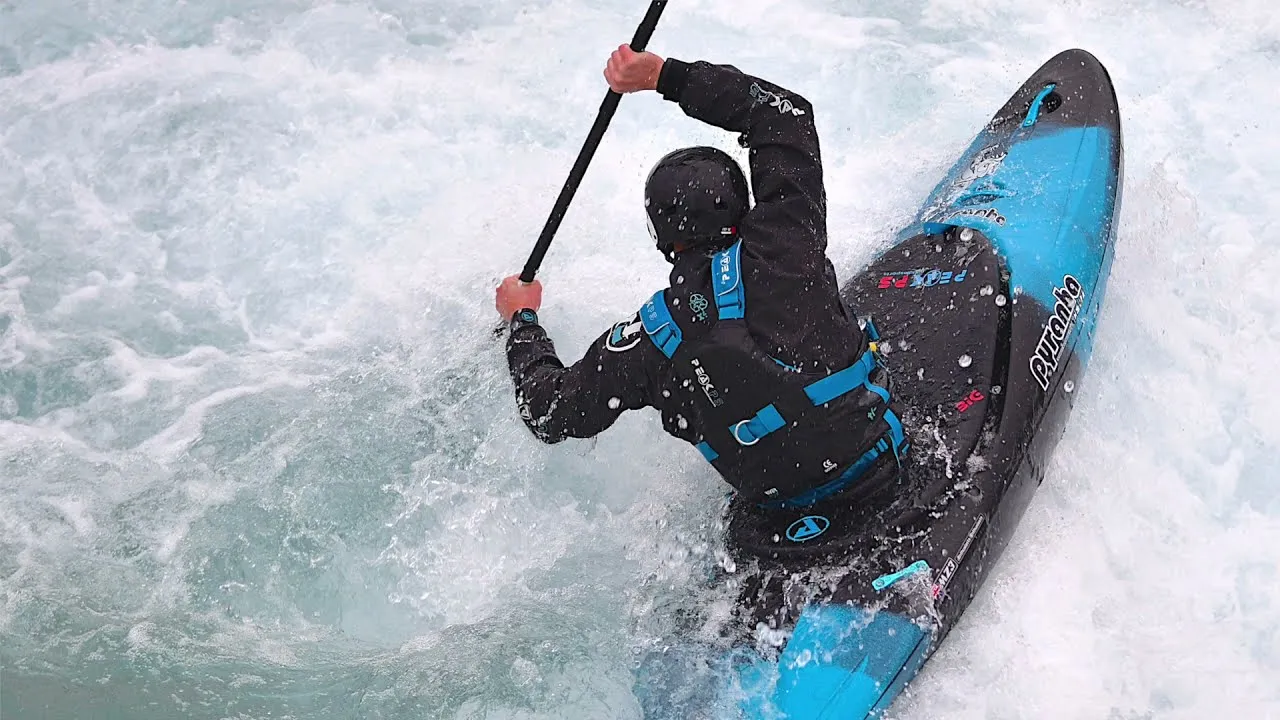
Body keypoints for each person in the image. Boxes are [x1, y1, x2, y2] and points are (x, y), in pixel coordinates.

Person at [495, 45, 908, 542]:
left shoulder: (650, 341)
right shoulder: (787, 240)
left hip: (780, 507)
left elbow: (548, 412)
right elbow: (785, 114)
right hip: (878, 472)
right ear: (742, 206)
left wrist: (523, 324)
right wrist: (664, 76)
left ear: (662, 239)